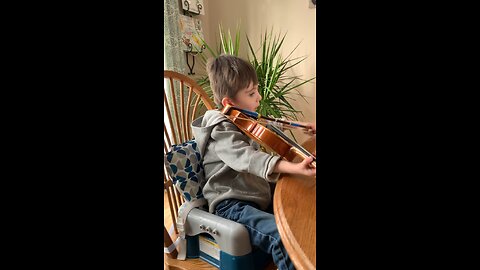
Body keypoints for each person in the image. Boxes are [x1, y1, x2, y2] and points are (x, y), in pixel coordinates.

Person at [191, 54, 315, 270]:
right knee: (283, 238)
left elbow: (272, 123)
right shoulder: (221, 129)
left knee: (301, 202)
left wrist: (302, 126)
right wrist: (292, 166)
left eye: (257, 89)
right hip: (231, 204)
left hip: (255, 194)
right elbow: (247, 158)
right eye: (251, 93)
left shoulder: (242, 117)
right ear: (229, 103)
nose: (258, 97)